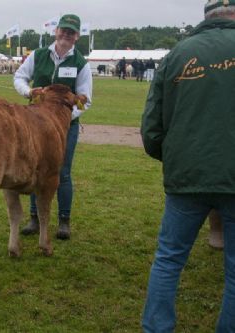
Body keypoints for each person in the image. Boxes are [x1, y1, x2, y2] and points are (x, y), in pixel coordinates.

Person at [141, 1, 235, 331]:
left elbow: (152, 129)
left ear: (206, 16)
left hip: (187, 177)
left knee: (169, 259)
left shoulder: (177, 53)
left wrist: (180, 157)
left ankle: (156, 327)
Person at [14, 13, 93, 240]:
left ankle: (64, 221)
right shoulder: (38, 55)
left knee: (62, 172)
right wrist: (28, 91)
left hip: (65, 128)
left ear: (77, 36)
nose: (66, 35)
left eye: (71, 32)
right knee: (35, 168)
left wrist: (64, 119)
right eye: (63, 30)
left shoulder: (81, 64)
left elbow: (86, 99)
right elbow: (19, 77)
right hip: (35, 124)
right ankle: (34, 219)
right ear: (56, 31)